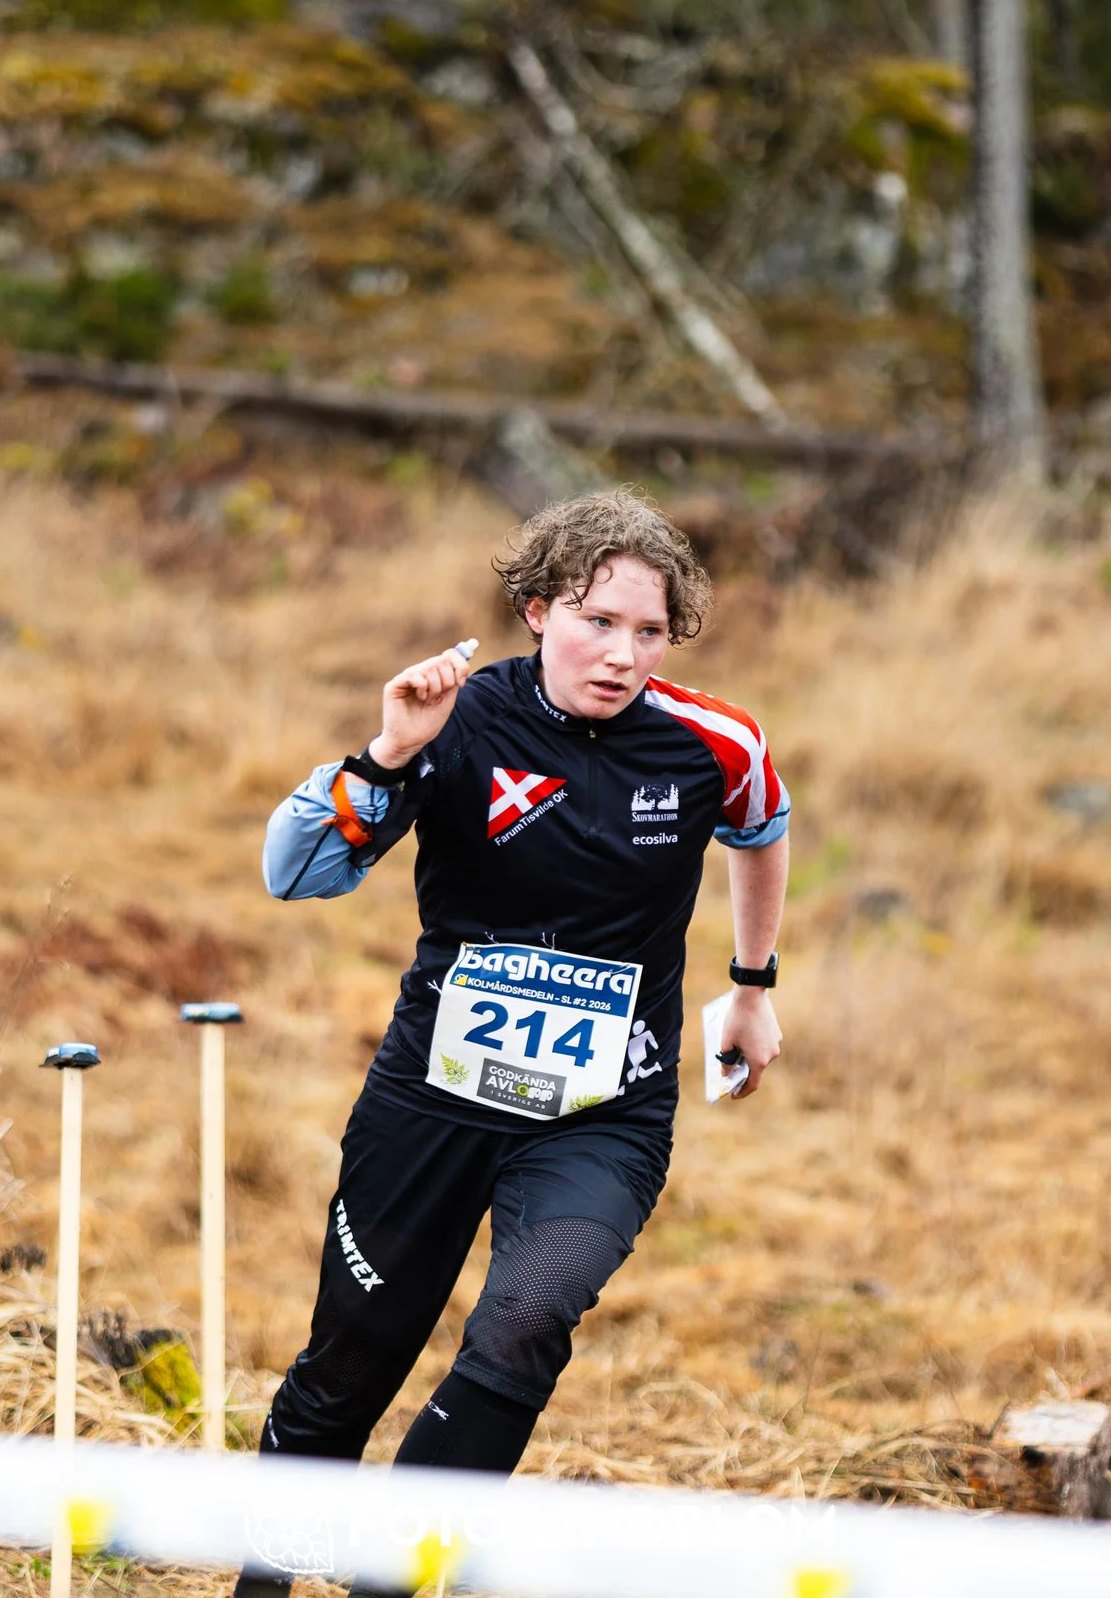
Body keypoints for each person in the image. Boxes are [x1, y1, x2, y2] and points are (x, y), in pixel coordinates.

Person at [243, 489, 790, 1596]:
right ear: (537, 609)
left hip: (602, 1114)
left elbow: (763, 829)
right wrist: (391, 748)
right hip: (433, 1099)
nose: (623, 653)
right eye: (597, 621)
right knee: (349, 1366)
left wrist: (749, 984)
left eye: (649, 631)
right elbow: (294, 873)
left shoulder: (710, 741)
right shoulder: (458, 720)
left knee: (528, 1318)